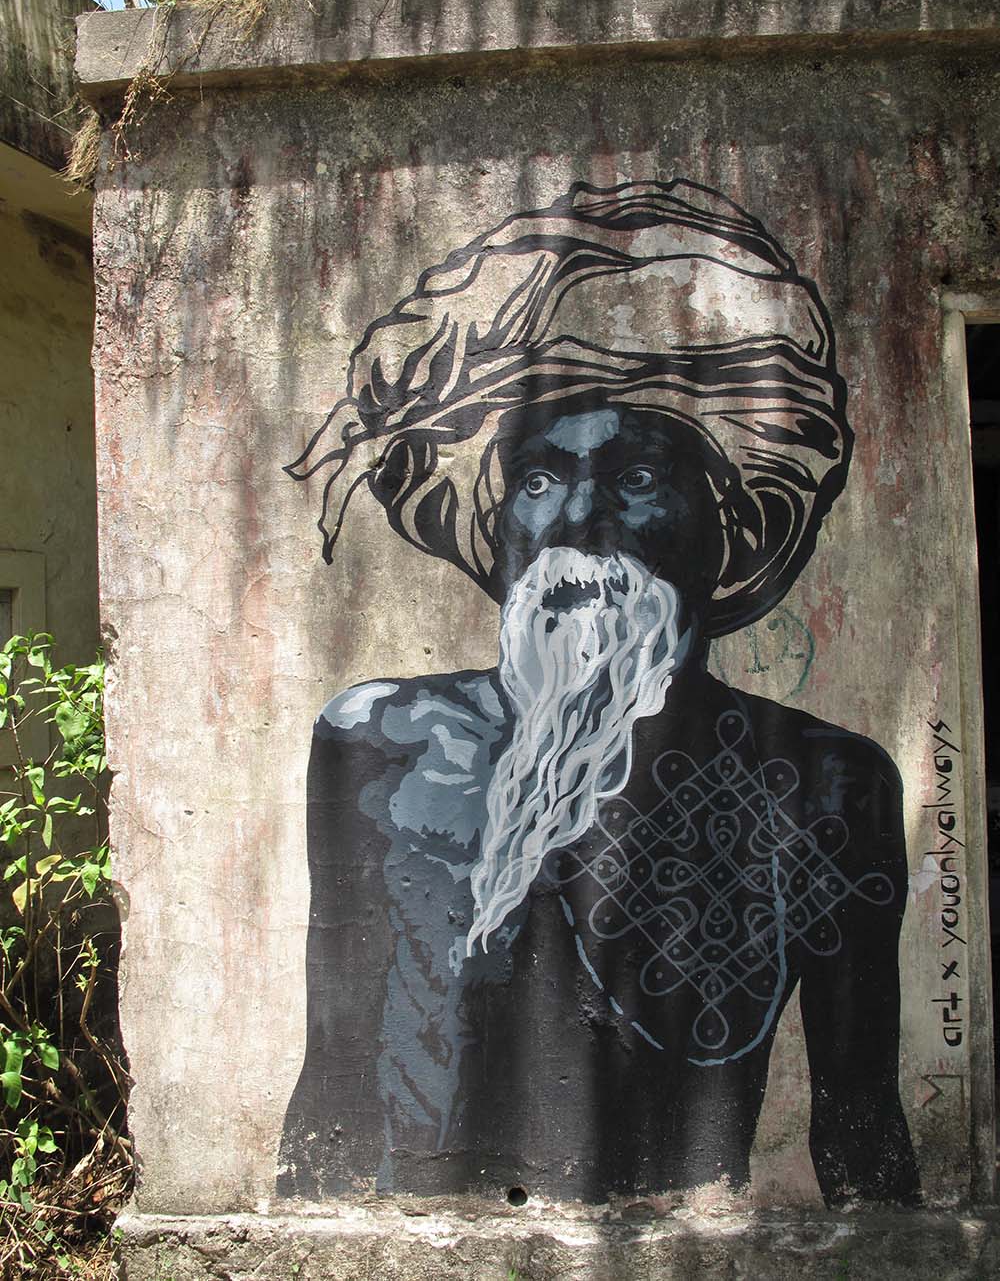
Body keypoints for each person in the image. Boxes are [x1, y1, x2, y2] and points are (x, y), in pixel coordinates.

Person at [278, 180, 920, 1206]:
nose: (577, 516)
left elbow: (859, 1115)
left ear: (727, 526)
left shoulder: (829, 783)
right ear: (498, 525)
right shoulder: (380, 739)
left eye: (637, 479)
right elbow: (337, 1070)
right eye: (535, 481)